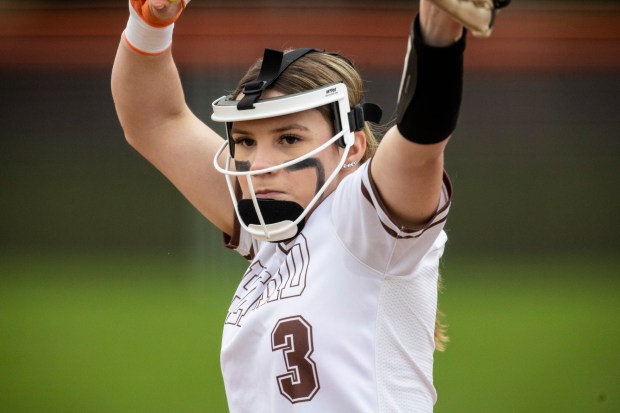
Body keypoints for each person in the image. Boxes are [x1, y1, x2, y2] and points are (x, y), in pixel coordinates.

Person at [111, 0, 497, 411]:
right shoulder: (270, 227)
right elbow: (155, 120)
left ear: (352, 146)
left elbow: (421, 142)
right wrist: (148, 22)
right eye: (244, 141)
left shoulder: (361, 222)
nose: (259, 165)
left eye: (289, 139)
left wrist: (437, 33)